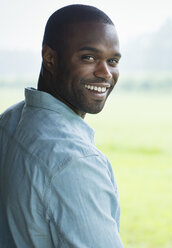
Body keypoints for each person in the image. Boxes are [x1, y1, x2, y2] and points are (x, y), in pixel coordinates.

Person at [0, 4, 124, 247]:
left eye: (113, 60)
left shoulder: (9, 121)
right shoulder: (75, 161)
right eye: (89, 57)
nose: (106, 73)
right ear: (50, 58)